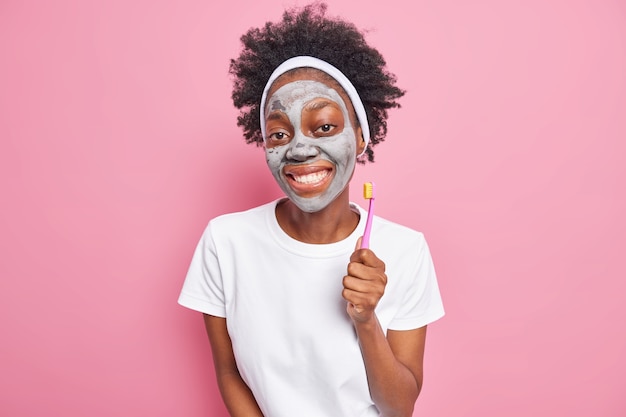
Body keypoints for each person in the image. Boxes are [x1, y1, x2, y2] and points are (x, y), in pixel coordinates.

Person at [178, 3, 444, 416]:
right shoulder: (225, 241)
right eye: (280, 133)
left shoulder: (407, 249)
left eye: (324, 126)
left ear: (360, 137)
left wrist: (366, 320)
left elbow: (399, 409)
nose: (299, 149)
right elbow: (230, 373)